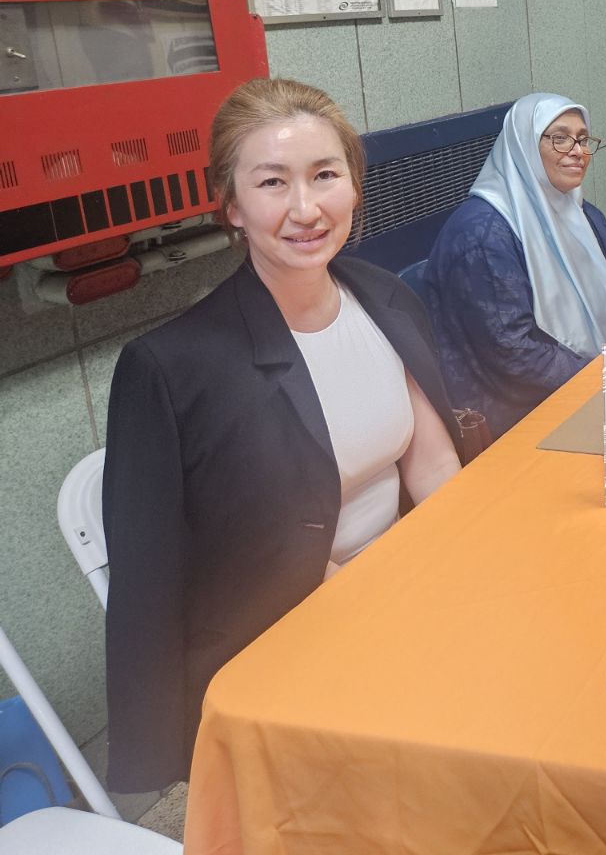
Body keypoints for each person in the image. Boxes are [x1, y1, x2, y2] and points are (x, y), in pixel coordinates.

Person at [102, 78, 464, 792]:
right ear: (232, 206)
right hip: (280, 635)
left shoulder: (383, 297)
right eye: (273, 183)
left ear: (355, 187)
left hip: (398, 597)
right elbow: (170, 579)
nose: (306, 209)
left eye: (325, 175)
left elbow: (435, 466)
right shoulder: (173, 368)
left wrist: (456, 579)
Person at [419, 93, 606, 438]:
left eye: (583, 139)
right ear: (523, 146)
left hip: (587, 380)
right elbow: (515, 353)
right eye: (559, 138)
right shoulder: (483, 237)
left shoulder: (584, 215)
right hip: (511, 412)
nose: (577, 151)